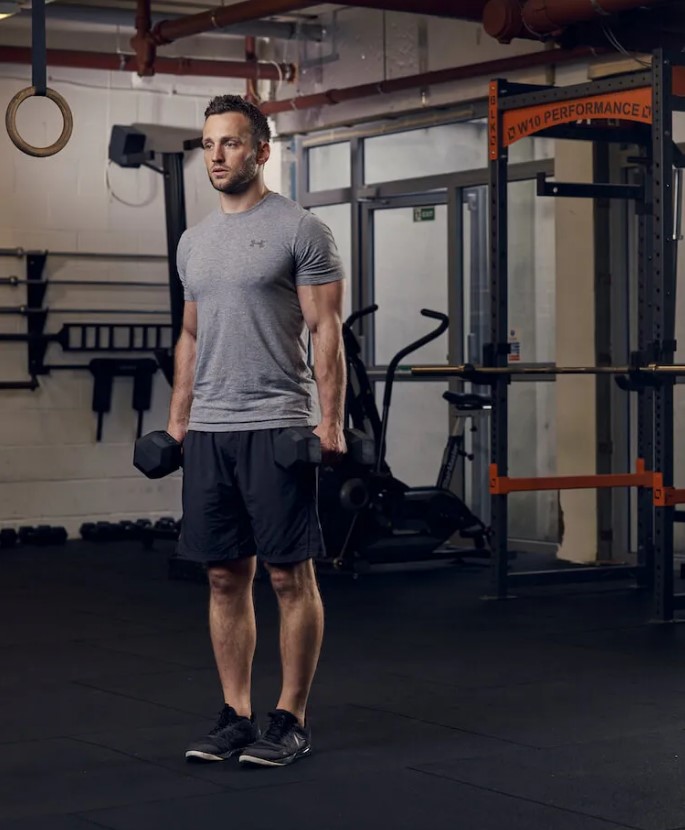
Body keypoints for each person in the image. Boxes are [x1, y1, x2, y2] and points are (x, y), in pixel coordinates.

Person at [167, 94, 346, 768]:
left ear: (262, 150)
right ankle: (235, 713)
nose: (216, 155)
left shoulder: (301, 229)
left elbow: (326, 329)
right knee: (221, 576)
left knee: (287, 577)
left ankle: (290, 717)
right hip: (210, 431)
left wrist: (328, 420)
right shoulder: (193, 242)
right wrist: (178, 419)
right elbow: (189, 333)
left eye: (231, 143)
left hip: (275, 422)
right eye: (208, 144)